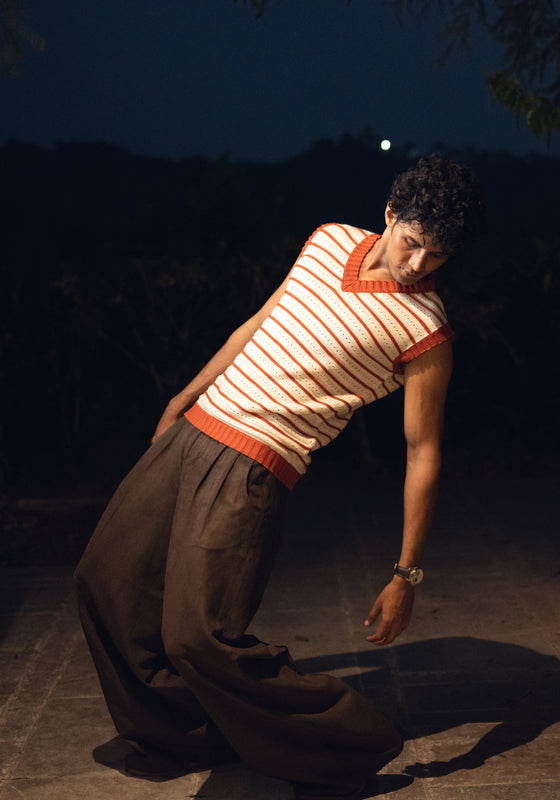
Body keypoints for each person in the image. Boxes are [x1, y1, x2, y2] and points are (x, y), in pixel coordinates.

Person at [74, 154, 484, 800]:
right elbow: (259, 324)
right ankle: (182, 734)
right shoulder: (327, 241)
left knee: (199, 635)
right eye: (413, 243)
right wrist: (187, 394)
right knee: (106, 578)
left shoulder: (424, 328)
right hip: (195, 430)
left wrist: (406, 574)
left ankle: (350, 742)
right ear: (389, 215)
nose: (417, 265)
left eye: (437, 256)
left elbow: (423, 451)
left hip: (255, 462)